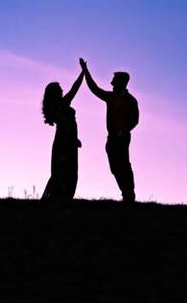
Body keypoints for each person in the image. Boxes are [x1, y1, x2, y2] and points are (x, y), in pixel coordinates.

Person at [79, 58, 139, 202]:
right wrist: (86, 71)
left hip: (122, 138)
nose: (111, 84)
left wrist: (123, 130)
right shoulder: (111, 97)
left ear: (121, 83)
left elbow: (135, 120)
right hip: (112, 138)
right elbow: (95, 89)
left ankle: (128, 194)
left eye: (114, 82)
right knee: (115, 167)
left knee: (124, 164)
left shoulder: (131, 100)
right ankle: (127, 193)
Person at [40, 69, 84, 201]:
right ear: (54, 93)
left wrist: (83, 72)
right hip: (64, 142)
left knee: (69, 171)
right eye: (59, 88)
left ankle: (64, 198)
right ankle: (60, 198)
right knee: (63, 171)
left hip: (68, 141)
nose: (62, 90)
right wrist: (72, 139)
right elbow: (65, 125)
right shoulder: (57, 106)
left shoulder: (62, 103)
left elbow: (74, 88)